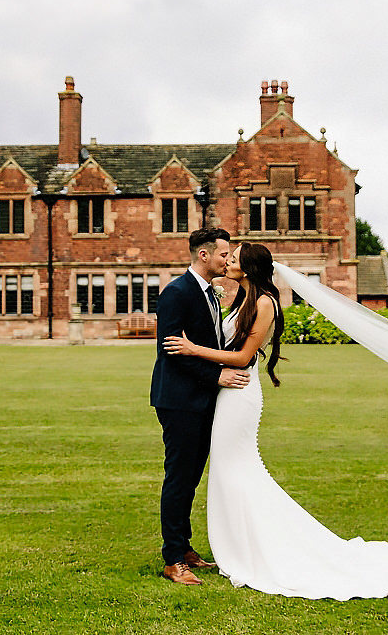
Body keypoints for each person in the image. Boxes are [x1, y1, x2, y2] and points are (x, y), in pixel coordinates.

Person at [164, 242, 388, 599]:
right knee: (230, 471)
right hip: (226, 393)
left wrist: (194, 350)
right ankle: (233, 544)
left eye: (234, 257)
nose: (228, 261)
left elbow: (242, 357)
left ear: (249, 267)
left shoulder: (263, 303)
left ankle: (255, 546)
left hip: (240, 394)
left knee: (237, 469)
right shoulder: (241, 299)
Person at [150, 227, 251, 586]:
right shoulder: (177, 292)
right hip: (179, 400)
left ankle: (185, 546)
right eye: (224, 254)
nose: (228, 260)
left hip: (202, 399)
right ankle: (173, 559)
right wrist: (217, 376)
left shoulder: (211, 292)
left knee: (191, 479)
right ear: (204, 255)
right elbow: (172, 349)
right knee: (179, 478)